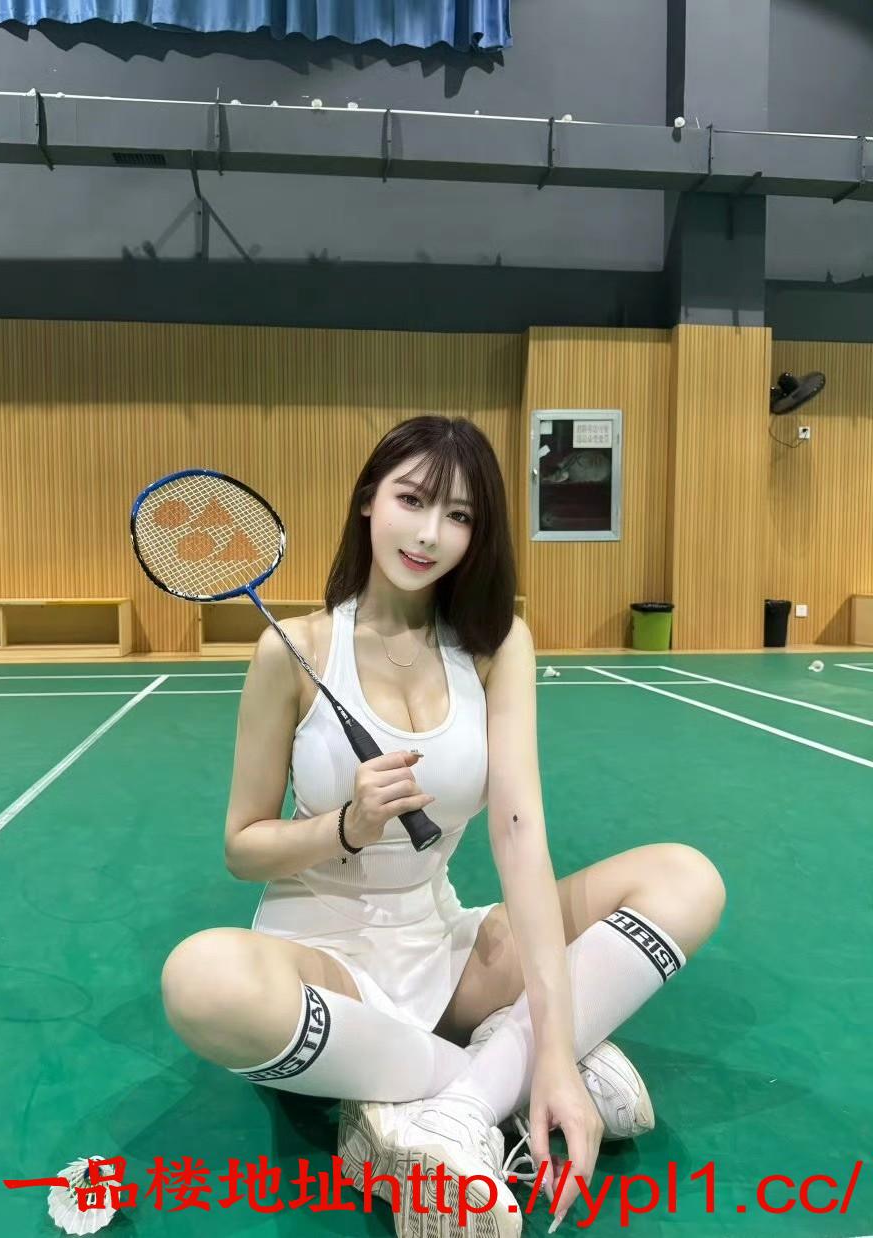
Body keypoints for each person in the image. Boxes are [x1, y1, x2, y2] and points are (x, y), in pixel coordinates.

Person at [160, 415, 726, 1238]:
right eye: (412, 500)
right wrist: (345, 827)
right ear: (368, 500)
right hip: (324, 965)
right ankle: (495, 1072)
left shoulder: (496, 648)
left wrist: (556, 1054)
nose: (429, 534)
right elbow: (243, 847)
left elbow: (520, 835)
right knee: (200, 978)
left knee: (685, 878)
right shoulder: (294, 651)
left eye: (459, 515)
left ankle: (455, 1108)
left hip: (444, 948)